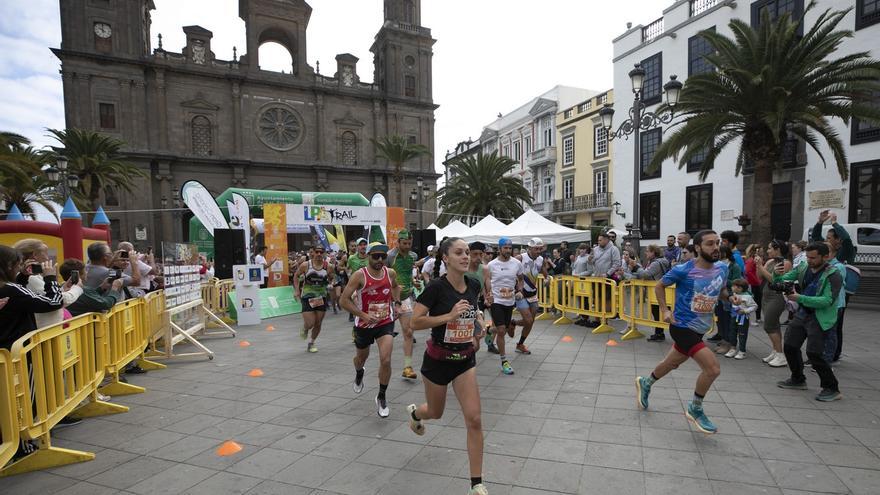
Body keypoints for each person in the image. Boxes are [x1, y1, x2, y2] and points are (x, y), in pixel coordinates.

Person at [408, 237, 488, 495]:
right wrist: (449, 316)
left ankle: (476, 484)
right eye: (459, 253)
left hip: (464, 359)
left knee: (474, 419)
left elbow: (474, 312)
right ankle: (416, 415)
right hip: (438, 361)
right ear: (446, 258)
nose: (466, 257)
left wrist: (478, 328)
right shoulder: (435, 288)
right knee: (435, 412)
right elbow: (415, 323)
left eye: (467, 252)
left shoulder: (474, 284)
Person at [636, 230, 730, 434]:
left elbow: (721, 292)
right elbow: (659, 286)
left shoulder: (722, 268)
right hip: (681, 326)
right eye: (710, 244)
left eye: (717, 243)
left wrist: (732, 299)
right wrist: (664, 310)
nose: (715, 248)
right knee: (712, 369)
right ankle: (695, 408)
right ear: (697, 248)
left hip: (700, 329)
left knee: (671, 363)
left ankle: (646, 382)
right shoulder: (683, 270)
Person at [775, 242, 843, 402]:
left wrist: (800, 298)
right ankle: (798, 379)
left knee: (814, 353)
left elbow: (827, 300)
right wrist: (777, 275)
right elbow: (782, 280)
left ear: (825, 257)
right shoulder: (803, 267)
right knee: (790, 346)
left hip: (820, 317)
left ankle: (832, 388)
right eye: (807, 256)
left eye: (813, 257)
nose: (809, 260)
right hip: (803, 313)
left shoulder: (834, 274)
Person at [339, 243, 401, 417]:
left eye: (383, 256)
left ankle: (381, 396)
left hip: (385, 323)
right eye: (376, 256)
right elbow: (343, 300)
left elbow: (396, 287)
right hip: (364, 326)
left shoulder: (390, 273)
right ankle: (359, 372)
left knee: (386, 360)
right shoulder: (360, 276)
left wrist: (396, 304)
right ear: (368, 256)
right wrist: (363, 315)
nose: (380, 260)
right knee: (361, 358)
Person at [0, 245, 65, 350]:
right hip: (16, 351)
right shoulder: (11, 289)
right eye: (18, 265)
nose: (19, 268)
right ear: (9, 266)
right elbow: (54, 302)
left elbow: (18, 300)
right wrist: (51, 278)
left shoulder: (9, 289)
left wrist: (23, 276)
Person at [810, 211, 853, 363]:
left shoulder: (842, 254)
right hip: (823, 297)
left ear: (837, 241)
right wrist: (819, 222)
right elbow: (815, 239)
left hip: (837, 298)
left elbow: (847, 240)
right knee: (823, 328)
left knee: (833, 329)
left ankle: (832, 355)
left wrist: (835, 223)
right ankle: (821, 354)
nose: (825, 240)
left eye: (829, 238)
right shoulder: (826, 251)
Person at [13, 238, 82, 328]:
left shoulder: (30, 275)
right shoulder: (30, 278)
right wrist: (77, 289)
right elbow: (58, 301)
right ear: (35, 255)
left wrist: (63, 288)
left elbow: (47, 296)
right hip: (45, 329)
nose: (47, 257)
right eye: (45, 253)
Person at [483, 237, 523, 375]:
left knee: (503, 330)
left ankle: (490, 331)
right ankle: (504, 361)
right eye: (505, 248)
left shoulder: (517, 263)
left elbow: (521, 279)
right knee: (501, 331)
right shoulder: (491, 265)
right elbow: (486, 280)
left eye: (509, 248)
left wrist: (519, 291)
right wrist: (488, 295)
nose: (508, 250)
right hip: (497, 301)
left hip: (510, 301)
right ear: (499, 249)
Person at [386, 230, 420, 380]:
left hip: (405, 299)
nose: (407, 246)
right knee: (382, 333)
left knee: (408, 332)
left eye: (409, 243)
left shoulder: (413, 256)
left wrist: (414, 282)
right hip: (388, 299)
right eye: (404, 243)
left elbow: (407, 273)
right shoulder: (389, 256)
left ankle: (407, 367)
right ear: (397, 242)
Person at [620, 244, 670, 341]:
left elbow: (646, 274)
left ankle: (661, 333)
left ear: (653, 252)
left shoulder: (656, 263)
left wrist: (635, 266)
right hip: (657, 290)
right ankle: (659, 333)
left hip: (658, 290)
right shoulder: (653, 261)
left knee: (659, 312)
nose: (645, 253)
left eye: (647, 251)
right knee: (656, 312)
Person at [754, 240, 793, 367]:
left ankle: (781, 355)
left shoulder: (785, 263)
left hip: (776, 297)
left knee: (769, 325)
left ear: (778, 249)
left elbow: (775, 280)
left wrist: (761, 267)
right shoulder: (771, 261)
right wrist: (758, 265)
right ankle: (776, 351)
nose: (767, 251)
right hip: (766, 295)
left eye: (770, 248)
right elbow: (759, 277)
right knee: (774, 325)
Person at [293, 246, 334, 353]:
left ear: (324, 253)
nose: (319, 254)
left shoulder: (328, 266)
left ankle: (311, 343)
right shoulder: (306, 265)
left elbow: (332, 277)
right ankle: (306, 328)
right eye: (317, 252)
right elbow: (296, 276)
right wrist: (296, 290)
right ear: (313, 253)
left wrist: (331, 284)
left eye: (321, 252)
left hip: (321, 297)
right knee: (310, 323)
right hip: (307, 296)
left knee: (318, 323)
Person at [510, 238, 545, 355]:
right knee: (528, 320)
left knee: (530, 322)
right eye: (536, 249)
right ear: (529, 248)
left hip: (533, 293)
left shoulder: (541, 259)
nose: (539, 251)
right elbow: (509, 270)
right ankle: (514, 328)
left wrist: (547, 279)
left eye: (541, 248)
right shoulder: (520, 258)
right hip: (521, 293)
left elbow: (545, 273)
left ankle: (518, 340)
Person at [59, 259, 125, 316]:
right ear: (78, 275)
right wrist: (114, 288)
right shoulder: (82, 291)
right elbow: (106, 304)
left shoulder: (62, 289)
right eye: (85, 270)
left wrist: (102, 288)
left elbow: (88, 298)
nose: (87, 272)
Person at [709, 246, 742, 354]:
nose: (716, 254)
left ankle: (729, 343)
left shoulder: (734, 266)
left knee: (728, 321)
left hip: (728, 296)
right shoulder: (716, 265)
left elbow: (737, 282)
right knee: (720, 320)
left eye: (719, 252)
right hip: (718, 296)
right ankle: (723, 340)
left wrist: (722, 280)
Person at [586, 232, 621, 327]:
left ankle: (605, 320)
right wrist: (589, 259)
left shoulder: (614, 249)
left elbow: (617, 263)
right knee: (596, 298)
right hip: (596, 278)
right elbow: (592, 262)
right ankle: (597, 320)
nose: (598, 242)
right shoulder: (596, 249)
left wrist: (607, 273)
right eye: (598, 240)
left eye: (600, 240)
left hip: (607, 279)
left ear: (606, 240)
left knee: (606, 299)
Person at [727, 279, 758, 359]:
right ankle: (732, 349)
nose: (732, 287)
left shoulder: (747, 297)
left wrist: (745, 311)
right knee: (732, 333)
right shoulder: (734, 294)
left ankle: (742, 351)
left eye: (734, 286)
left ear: (740, 288)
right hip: (734, 316)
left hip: (743, 318)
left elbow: (755, 306)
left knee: (742, 334)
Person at [346, 238, 370, 322]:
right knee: (357, 303)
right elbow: (348, 269)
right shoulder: (352, 258)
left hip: (368, 285)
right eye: (360, 245)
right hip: (356, 286)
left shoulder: (371, 257)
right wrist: (350, 278)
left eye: (365, 244)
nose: (363, 246)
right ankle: (358, 319)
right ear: (357, 247)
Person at [571, 243, 594, 327]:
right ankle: (581, 315)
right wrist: (574, 273)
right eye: (581, 249)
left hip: (584, 281)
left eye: (584, 249)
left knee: (585, 300)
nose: (582, 250)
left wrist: (579, 275)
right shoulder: (578, 258)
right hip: (577, 281)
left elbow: (590, 271)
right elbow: (574, 268)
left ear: (586, 250)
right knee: (579, 299)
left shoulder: (588, 258)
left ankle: (586, 318)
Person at [743, 244, 763, 326]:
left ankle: (757, 318)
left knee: (756, 301)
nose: (763, 252)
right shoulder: (752, 260)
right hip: (753, 284)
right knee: (750, 302)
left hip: (754, 283)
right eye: (761, 251)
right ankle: (749, 320)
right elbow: (748, 272)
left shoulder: (754, 260)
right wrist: (757, 281)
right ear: (756, 251)